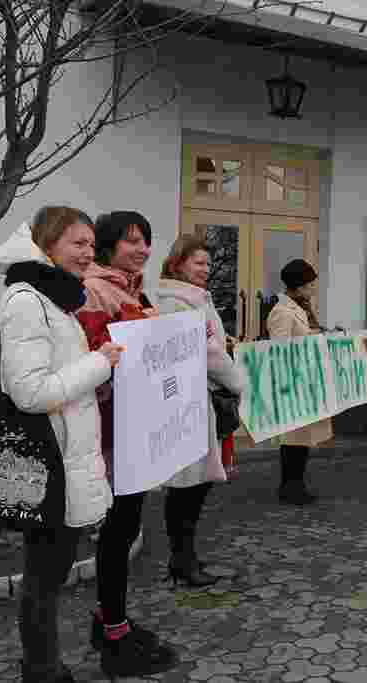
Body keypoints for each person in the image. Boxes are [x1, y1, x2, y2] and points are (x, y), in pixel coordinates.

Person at [0, 208, 124, 683]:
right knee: (44, 577)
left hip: (64, 458)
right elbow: (28, 391)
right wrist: (98, 365)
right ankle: (41, 670)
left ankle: (44, 665)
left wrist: (94, 374)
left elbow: (60, 382)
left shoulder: (53, 298)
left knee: (50, 572)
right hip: (50, 463)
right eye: (78, 243)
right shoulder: (27, 300)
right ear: (48, 245)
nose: (89, 253)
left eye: (92, 244)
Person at [75, 210, 178, 677]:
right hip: (115, 429)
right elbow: (99, 356)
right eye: (131, 241)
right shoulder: (97, 289)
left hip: (137, 427)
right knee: (118, 531)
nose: (141, 249)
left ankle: (107, 619)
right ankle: (114, 635)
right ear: (108, 245)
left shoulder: (132, 289)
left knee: (127, 523)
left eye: (146, 240)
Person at [152, 236, 247, 586]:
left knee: (195, 485)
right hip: (189, 403)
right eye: (198, 263)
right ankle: (181, 561)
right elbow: (206, 352)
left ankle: (185, 557)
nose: (205, 270)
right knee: (187, 487)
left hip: (197, 401)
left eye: (208, 263)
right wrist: (237, 379)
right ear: (178, 264)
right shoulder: (179, 303)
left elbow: (212, 344)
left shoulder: (191, 299)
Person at [266, 259, 333, 504]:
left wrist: (321, 334)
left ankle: (295, 483)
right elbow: (281, 348)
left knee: (302, 439)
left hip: (305, 381)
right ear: (299, 285)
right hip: (292, 382)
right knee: (294, 440)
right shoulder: (282, 312)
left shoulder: (298, 308)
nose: (313, 288)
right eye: (310, 284)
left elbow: (301, 337)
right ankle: (290, 486)